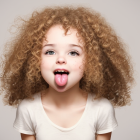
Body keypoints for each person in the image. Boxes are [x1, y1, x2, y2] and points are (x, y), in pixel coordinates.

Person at [0, 6, 134, 140]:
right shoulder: (28, 109)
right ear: (34, 60)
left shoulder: (102, 109)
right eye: (50, 52)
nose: (61, 59)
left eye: (73, 52)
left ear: (91, 61)